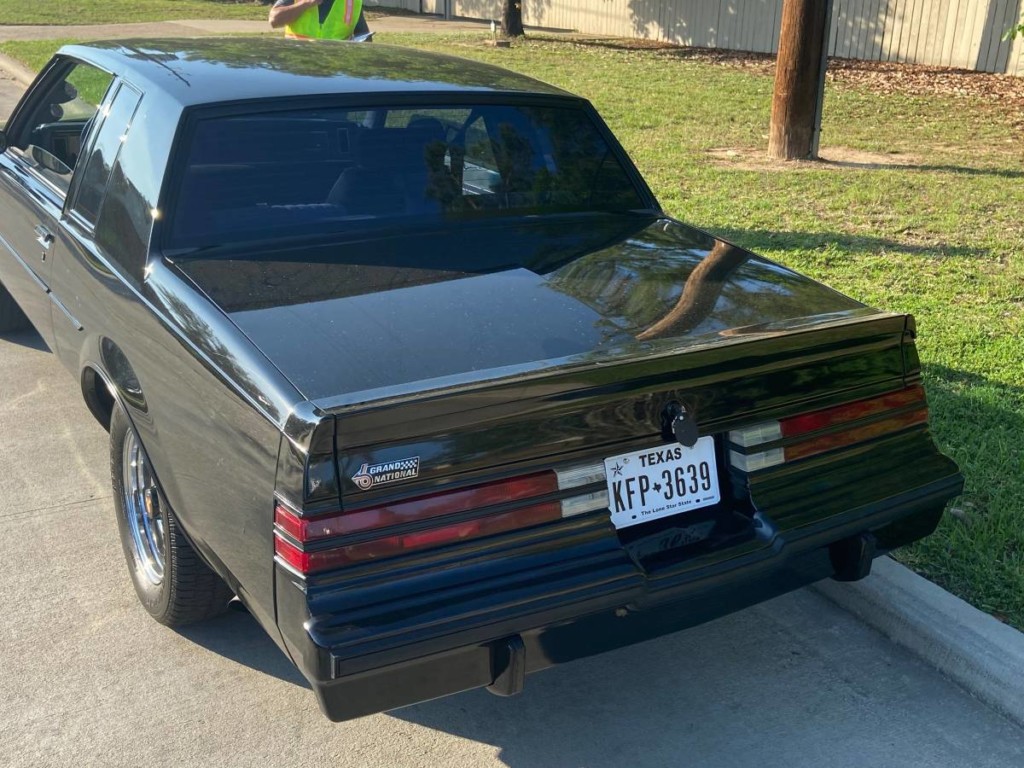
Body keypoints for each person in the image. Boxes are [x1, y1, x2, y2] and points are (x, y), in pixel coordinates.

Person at [269, 0, 369, 41]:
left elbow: (364, 36)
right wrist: (307, 3)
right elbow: (274, 20)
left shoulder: (351, 1)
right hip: (297, 65)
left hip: (335, 71)